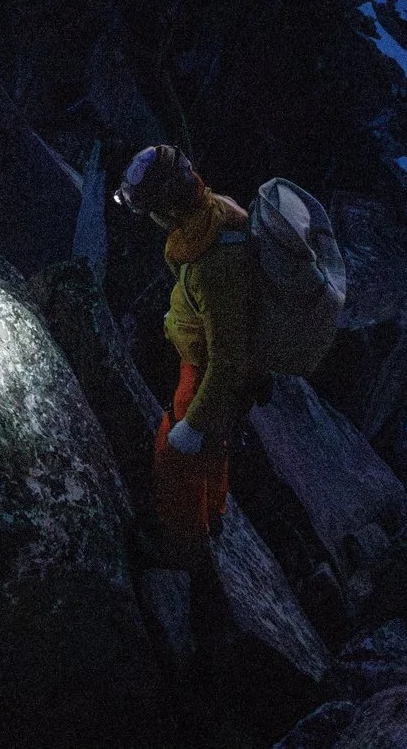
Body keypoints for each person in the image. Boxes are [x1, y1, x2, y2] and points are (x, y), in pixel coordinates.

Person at [117, 144, 259, 559]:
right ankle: (209, 515)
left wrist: (193, 424)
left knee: (175, 452)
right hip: (202, 364)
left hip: (208, 373)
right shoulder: (213, 213)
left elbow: (228, 360)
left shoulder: (213, 262)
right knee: (214, 446)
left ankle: (181, 546)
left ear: (167, 206)